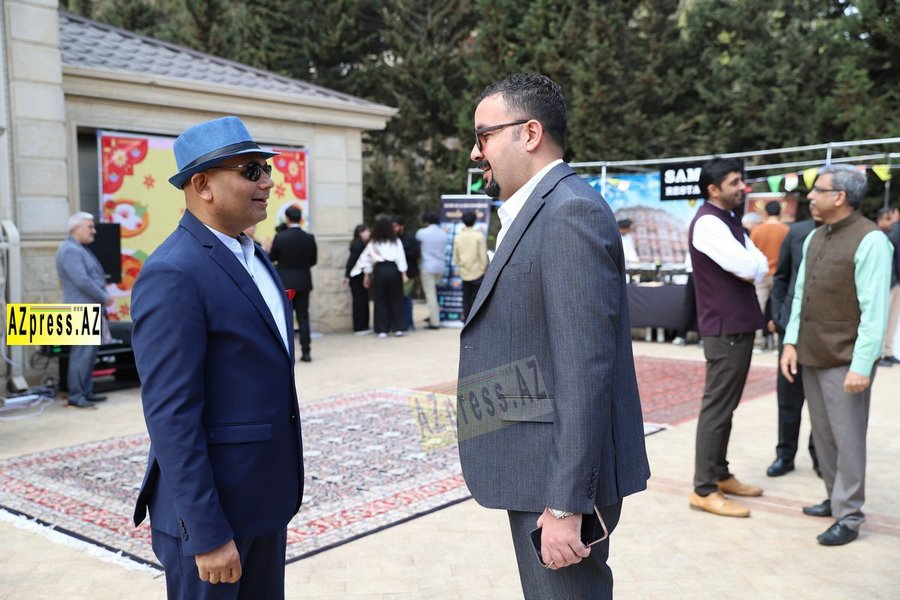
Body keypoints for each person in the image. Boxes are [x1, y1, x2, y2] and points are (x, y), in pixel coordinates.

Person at [457, 72, 649, 600]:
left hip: (558, 482)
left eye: (483, 136)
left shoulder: (568, 212)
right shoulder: (540, 209)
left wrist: (566, 504)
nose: (476, 153)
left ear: (530, 133)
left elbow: (584, 368)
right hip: (539, 467)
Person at [131, 116, 304, 598]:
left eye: (267, 169)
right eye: (251, 171)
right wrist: (207, 533)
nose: (267, 182)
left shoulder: (253, 255)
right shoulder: (173, 272)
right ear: (202, 185)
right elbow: (171, 415)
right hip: (212, 520)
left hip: (261, 502)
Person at [781, 164, 892, 546]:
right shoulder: (815, 236)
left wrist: (862, 366)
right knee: (825, 435)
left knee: (848, 439)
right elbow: (800, 296)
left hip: (846, 360)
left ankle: (850, 515)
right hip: (813, 352)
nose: (810, 196)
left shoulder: (871, 240)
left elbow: (875, 312)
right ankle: (835, 497)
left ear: (840, 197)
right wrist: (791, 343)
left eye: (819, 190)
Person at [687, 157, 768, 518]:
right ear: (713, 188)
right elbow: (749, 265)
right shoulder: (708, 222)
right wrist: (753, 266)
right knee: (718, 408)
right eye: (734, 182)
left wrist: (753, 266)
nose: (742, 187)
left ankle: (719, 474)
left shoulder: (727, 219)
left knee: (726, 406)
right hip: (725, 327)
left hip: (735, 325)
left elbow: (759, 264)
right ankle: (704, 488)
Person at [766, 218, 820, 477]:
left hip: (827, 332)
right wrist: (778, 316)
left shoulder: (849, 233)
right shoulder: (797, 232)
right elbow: (781, 277)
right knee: (788, 397)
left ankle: (820, 455)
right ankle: (785, 455)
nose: (812, 199)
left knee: (823, 400)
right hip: (791, 330)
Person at [55, 212, 113, 408]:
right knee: (81, 355)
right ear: (76, 228)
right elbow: (82, 280)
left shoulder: (77, 248)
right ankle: (77, 395)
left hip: (87, 309)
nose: (94, 231)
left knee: (88, 356)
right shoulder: (70, 250)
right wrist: (104, 296)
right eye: (90, 226)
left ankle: (85, 392)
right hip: (81, 309)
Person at [269, 205, 318, 362]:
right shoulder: (309, 237)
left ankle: (288, 352)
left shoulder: (280, 237)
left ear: (287, 218)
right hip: (304, 280)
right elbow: (313, 260)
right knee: (303, 316)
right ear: (300, 218)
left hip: (286, 282)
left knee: (286, 318)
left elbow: (272, 258)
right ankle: (306, 351)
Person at [351, 216, 408, 337]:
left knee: (380, 299)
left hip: (380, 270)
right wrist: (404, 274)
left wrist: (366, 275)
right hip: (394, 270)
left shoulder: (374, 243)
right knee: (396, 298)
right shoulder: (396, 241)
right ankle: (398, 328)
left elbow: (367, 259)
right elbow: (401, 258)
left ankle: (382, 329)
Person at [750, 201, 789, 350]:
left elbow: (751, 253)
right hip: (780, 275)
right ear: (780, 212)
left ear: (765, 213)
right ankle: (778, 342)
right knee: (778, 308)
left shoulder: (757, 230)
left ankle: (758, 341)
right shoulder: (786, 230)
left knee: (758, 308)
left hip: (761, 275)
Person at [451, 210, 487, 321]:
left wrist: (462, 265)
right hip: (478, 272)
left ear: (463, 221)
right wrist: (482, 269)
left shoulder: (458, 237)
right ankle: (475, 323)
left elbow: (455, 258)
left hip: (464, 273)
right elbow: (483, 257)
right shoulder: (479, 236)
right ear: (475, 221)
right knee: (477, 300)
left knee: (466, 298)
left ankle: (466, 322)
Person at [876, 207, 900, 367]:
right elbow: (893, 240)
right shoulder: (879, 235)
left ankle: (888, 351)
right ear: (880, 220)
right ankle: (879, 354)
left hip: (896, 281)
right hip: (885, 284)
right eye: (888, 219)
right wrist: (897, 223)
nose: (892, 223)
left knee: (893, 319)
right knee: (882, 320)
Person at [415, 212, 448, 329]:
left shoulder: (421, 233)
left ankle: (434, 322)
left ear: (427, 221)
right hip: (441, 267)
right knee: (435, 293)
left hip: (427, 266)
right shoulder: (443, 234)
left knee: (431, 295)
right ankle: (434, 316)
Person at [393, 216, 420, 331]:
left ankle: (409, 323)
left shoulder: (410, 238)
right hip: (394, 274)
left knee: (407, 298)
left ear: (402, 226)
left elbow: (416, 253)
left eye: (395, 226)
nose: (394, 229)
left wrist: (401, 253)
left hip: (409, 273)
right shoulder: (391, 239)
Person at [344, 224, 372, 334]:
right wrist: (347, 275)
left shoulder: (361, 244)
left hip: (358, 276)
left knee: (362, 300)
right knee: (360, 302)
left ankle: (363, 326)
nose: (369, 233)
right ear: (361, 233)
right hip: (357, 276)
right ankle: (360, 326)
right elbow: (351, 261)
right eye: (367, 231)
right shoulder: (358, 245)